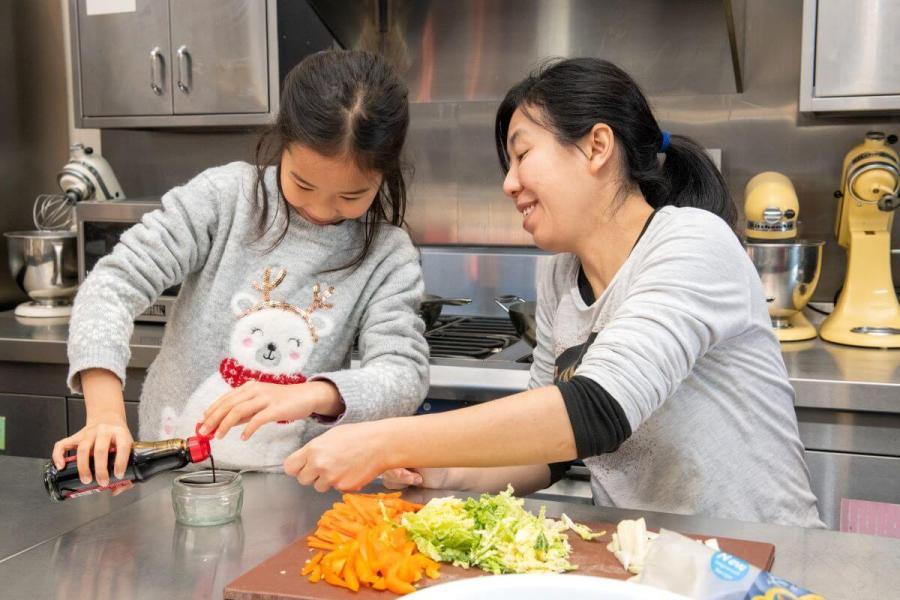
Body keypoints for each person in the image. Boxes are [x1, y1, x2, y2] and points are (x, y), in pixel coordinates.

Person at [265, 58, 824, 528]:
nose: (509, 183)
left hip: (758, 557)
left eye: (522, 154)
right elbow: (551, 452)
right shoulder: (558, 278)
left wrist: (387, 439)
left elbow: (598, 409)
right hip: (649, 562)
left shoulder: (691, 242)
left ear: (597, 146)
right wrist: (439, 471)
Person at [52, 50, 429, 489]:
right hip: (171, 473)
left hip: (295, 486)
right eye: (302, 183)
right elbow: (113, 284)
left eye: (352, 195)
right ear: (281, 142)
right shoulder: (225, 198)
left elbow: (403, 374)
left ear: (385, 175)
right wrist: (104, 415)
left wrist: (311, 394)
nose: (321, 209)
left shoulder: (387, 255)